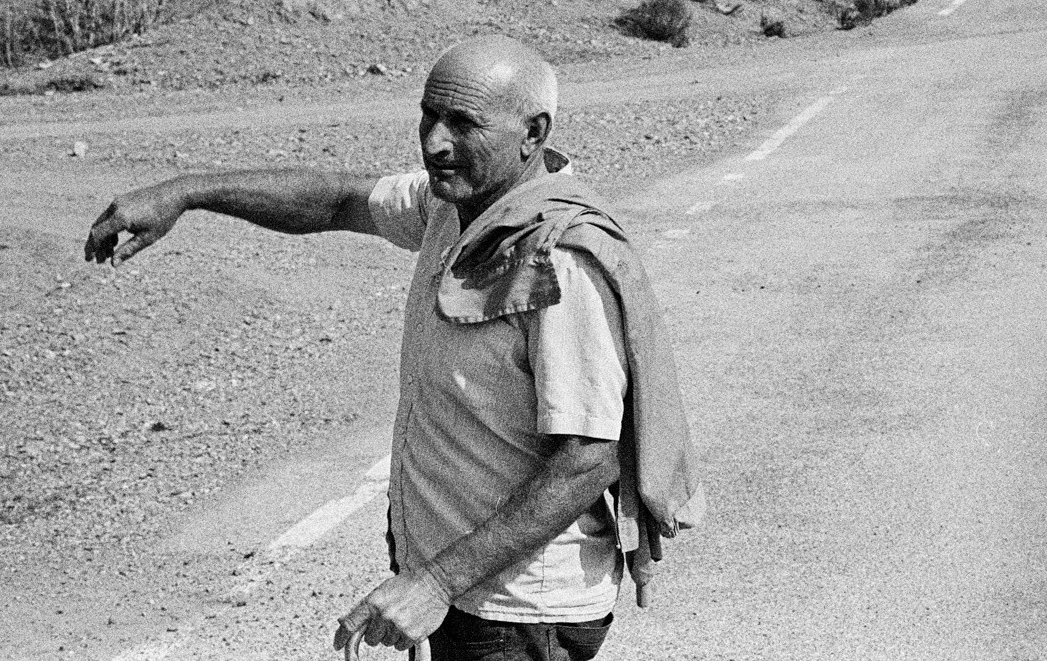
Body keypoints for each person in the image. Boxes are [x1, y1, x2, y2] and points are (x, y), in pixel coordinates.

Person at [84, 35, 704, 660]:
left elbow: (589, 456)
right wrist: (183, 194)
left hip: (520, 611)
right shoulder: (458, 205)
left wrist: (434, 584)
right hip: (472, 595)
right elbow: (335, 200)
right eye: (428, 117)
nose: (436, 143)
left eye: (462, 124)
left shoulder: (556, 257)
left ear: (532, 133)